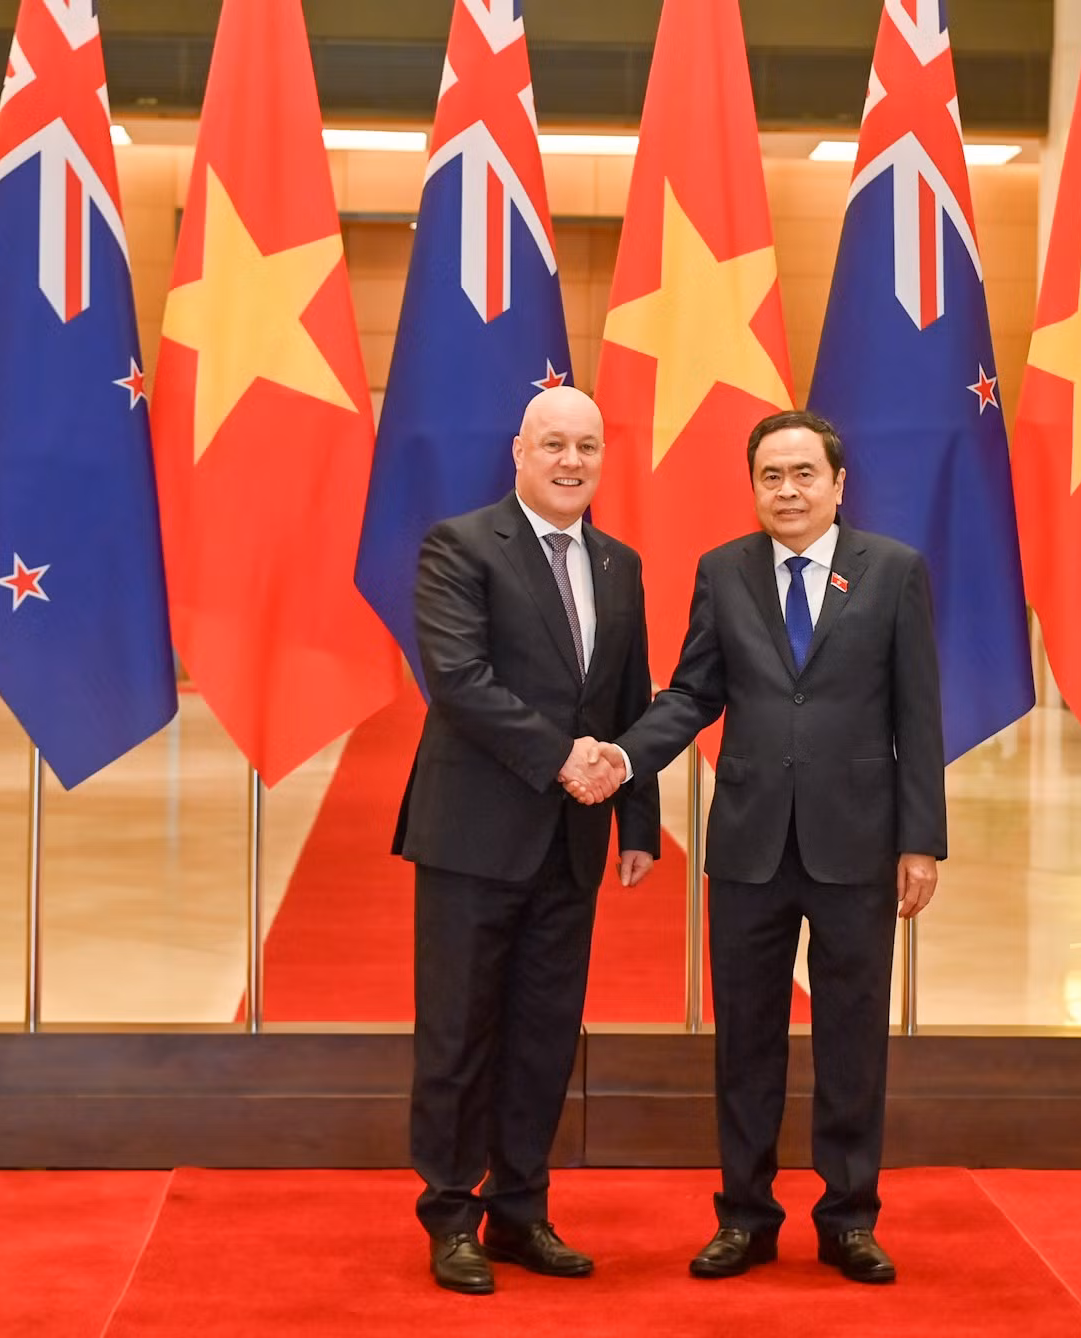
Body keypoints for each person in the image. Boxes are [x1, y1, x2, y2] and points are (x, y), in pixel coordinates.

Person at [568, 408, 946, 1284]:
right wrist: (626, 756)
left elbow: (918, 717)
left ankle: (849, 1216)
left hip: (858, 844)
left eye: (804, 474)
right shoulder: (724, 572)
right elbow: (693, 693)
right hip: (747, 846)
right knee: (745, 1038)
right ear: (753, 486)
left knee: (853, 1037)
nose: (788, 490)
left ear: (838, 484)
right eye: (771, 476)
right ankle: (745, 1215)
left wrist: (921, 840)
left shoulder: (891, 573)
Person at [395, 384, 658, 1295]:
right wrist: (564, 760)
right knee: (461, 1032)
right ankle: (450, 1215)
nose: (571, 462)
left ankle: (520, 1210)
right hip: (473, 835)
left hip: (576, 840)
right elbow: (459, 680)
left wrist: (638, 816)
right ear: (519, 452)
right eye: (554, 445)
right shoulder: (461, 546)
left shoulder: (620, 564)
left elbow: (632, 698)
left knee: (546, 1033)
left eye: (586, 446)